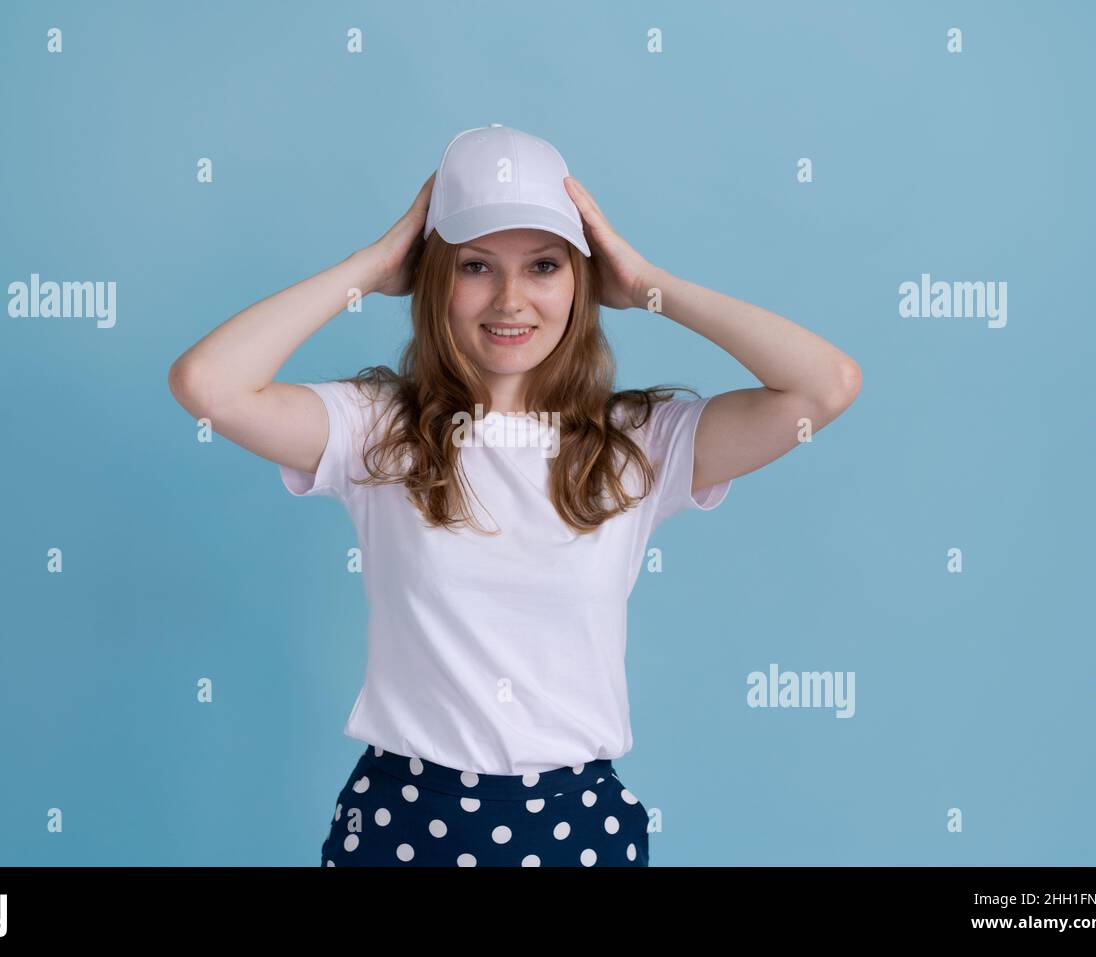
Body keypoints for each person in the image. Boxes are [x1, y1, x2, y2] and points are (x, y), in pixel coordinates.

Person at [167, 125, 861, 867]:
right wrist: (369, 267)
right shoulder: (379, 430)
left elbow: (825, 385)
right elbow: (207, 384)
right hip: (401, 825)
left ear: (581, 278)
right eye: (474, 265)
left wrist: (647, 283)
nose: (510, 299)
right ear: (435, 276)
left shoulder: (638, 443)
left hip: (576, 830)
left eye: (543, 265)